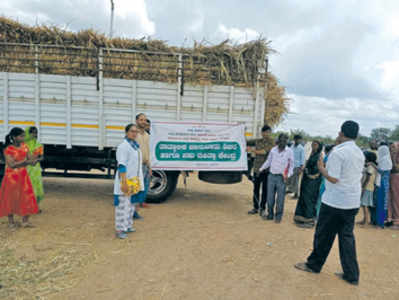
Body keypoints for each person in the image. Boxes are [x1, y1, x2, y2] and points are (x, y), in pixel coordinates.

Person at [295, 120, 364, 286]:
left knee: (323, 235)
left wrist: (321, 168)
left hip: (335, 202)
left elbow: (333, 178)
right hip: (352, 202)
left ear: (341, 133)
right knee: (347, 238)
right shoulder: (359, 152)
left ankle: (313, 265)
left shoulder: (338, 152)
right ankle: (351, 275)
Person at [0, 127, 39, 228]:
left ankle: (25, 221)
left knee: (26, 197)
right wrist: (26, 162)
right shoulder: (8, 149)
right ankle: (11, 222)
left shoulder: (24, 146)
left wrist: (35, 159)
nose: (23, 138)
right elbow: (12, 165)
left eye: (23, 136)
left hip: (23, 176)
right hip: (11, 177)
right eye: (21, 136)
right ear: (14, 137)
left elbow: (31, 159)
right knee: (11, 198)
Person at [114, 124, 145, 239]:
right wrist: (124, 182)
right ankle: (119, 229)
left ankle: (127, 225)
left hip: (134, 181)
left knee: (131, 204)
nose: (134, 133)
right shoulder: (123, 146)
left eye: (136, 131)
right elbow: (122, 165)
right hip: (126, 181)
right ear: (127, 132)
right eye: (132, 131)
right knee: (122, 205)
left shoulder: (135, 146)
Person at [259, 133, 294, 223]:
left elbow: (291, 165)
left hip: (281, 178)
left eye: (285, 140)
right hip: (271, 176)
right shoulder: (273, 150)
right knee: (270, 197)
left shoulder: (289, 151)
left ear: (287, 141)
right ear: (278, 140)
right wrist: (262, 168)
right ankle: (270, 215)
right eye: (281, 140)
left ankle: (278, 216)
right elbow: (268, 161)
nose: (283, 142)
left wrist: (288, 175)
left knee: (280, 198)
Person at [293, 141, 323, 228]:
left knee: (309, 199)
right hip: (306, 180)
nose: (313, 146)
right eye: (312, 144)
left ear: (319, 146)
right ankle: (301, 217)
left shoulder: (319, 156)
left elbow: (318, 170)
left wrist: (310, 174)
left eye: (315, 145)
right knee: (304, 197)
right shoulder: (312, 154)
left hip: (313, 182)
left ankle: (309, 220)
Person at [247, 125, 274, 216]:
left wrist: (252, 150)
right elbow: (248, 142)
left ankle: (262, 208)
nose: (266, 134)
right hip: (257, 169)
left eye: (268, 132)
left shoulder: (272, 142)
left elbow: (264, 152)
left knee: (265, 190)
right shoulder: (258, 141)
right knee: (256, 189)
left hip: (266, 170)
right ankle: (255, 207)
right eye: (264, 132)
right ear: (262, 133)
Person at [134, 113, 152, 219]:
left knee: (142, 188)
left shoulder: (147, 135)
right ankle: (132, 212)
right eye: (141, 120)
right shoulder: (134, 134)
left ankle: (136, 210)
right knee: (135, 189)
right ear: (136, 121)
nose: (143, 122)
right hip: (136, 166)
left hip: (145, 165)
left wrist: (149, 167)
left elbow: (148, 152)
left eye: (145, 120)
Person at [25, 127, 44, 212]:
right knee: (28, 187)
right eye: (33, 133)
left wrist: (37, 159)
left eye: (36, 133)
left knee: (37, 188)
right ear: (28, 134)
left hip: (36, 169)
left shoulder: (38, 144)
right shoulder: (23, 145)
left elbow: (41, 157)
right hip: (26, 168)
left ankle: (36, 206)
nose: (35, 135)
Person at [357, 151, 378, 226]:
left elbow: (368, 179)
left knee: (365, 204)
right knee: (364, 204)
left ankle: (366, 221)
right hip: (369, 187)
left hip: (368, 187)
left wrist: (363, 187)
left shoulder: (370, 167)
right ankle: (364, 220)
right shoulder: (371, 166)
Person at [376, 142, 392, 228]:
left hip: (383, 184)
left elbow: (381, 171)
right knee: (382, 203)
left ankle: (381, 223)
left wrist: (373, 165)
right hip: (383, 183)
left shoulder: (385, 160)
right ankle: (381, 222)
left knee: (382, 204)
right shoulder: (386, 159)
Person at [315, 144, 334, 218]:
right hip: (327, 179)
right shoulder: (331, 157)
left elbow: (322, 166)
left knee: (321, 196)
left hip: (326, 179)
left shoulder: (328, 157)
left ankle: (318, 215)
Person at [388, 142, 399, 229]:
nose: (392, 149)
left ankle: (396, 221)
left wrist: (394, 161)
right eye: (391, 147)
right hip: (391, 176)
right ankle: (390, 219)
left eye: (394, 147)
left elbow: (395, 167)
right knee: (390, 199)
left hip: (395, 177)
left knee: (395, 198)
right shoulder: (391, 154)